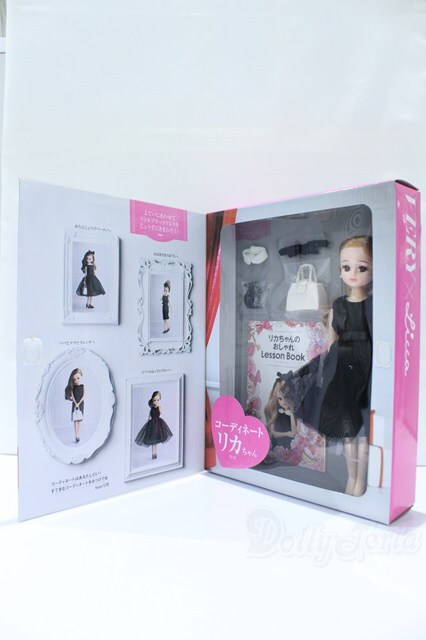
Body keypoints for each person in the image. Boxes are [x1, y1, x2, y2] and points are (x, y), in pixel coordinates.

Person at [285, 235, 373, 496]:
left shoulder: (373, 305)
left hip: (365, 370)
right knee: (348, 432)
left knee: (363, 432)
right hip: (340, 371)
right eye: (346, 267)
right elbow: (329, 343)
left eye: (362, 267)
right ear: (340, 270)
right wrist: (320, 376)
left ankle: (361, 482)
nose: (353, 273)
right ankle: (352, 479)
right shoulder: (338, 305)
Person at [135, 391, 173, 459]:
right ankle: (153, 454)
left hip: (158, 425)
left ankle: (156, 453)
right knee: (153, 441)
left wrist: (159, 406)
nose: (156, 401)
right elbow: (148, 417)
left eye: (158, 400)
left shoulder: (159, 407)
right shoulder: (151, 409)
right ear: (152, 400)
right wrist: (146, 424)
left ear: (159, 399)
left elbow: (161, 413)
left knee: (155, 440)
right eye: (154, 400)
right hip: (152, 425)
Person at [65, 368, 85, 443]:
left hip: (81, 404)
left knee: (79, 420)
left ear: (81, 376)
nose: (76, 380)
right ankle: (76, 436)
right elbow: (73, 396)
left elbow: (83, 396)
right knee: (75, 420)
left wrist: (78, 403)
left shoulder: (83, 386)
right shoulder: (73, 388)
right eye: (74, 379)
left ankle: (79, 435)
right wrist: (75, 403)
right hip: (74, 405)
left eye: (78, 378)